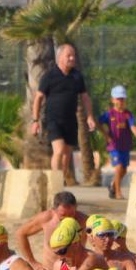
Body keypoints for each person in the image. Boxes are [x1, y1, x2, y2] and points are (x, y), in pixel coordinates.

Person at [32, 43, 96, 180]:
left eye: (73, 55)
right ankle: (55, 181)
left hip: (71, 121)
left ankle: (60, 181)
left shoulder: (77, 76)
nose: (72, 58)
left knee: (67, 155)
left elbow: (85, 97)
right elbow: (38, 98)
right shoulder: (49, 76)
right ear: (60, 57)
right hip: (54, 120)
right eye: (69, 55)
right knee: (59, 150)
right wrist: (35, 121)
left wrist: (89, 117)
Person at [14, 191, 86, 270]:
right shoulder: (46, 218)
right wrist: (33, 262)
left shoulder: (84, 221)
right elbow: (20, 233)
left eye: (71, 214)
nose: (67, 218)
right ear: (54, 210)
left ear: (76, 208)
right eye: (62, 215)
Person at [99, 85, 136, 200]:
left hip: (125, 146)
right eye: (118, 99)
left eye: (122, 99)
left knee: (124, 169)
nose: (120, 102)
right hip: (114, 146)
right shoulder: (109, 114)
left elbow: (132, 126)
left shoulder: (128, 114)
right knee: (118, 168)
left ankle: (113, 185)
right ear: (113, 100)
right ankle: (118, 192)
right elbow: (98, 123)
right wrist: (106, 135)